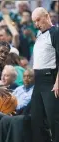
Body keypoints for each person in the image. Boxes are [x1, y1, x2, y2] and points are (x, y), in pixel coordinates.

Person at [31, 7, 59, 142]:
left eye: (38, 20)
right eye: (34, 21)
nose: (36, 24)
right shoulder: (39, 34)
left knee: (54, 119)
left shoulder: (56, 32)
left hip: (50, 79)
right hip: (38, 80)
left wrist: (57, 82)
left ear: (47, 16)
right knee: (36, 118)